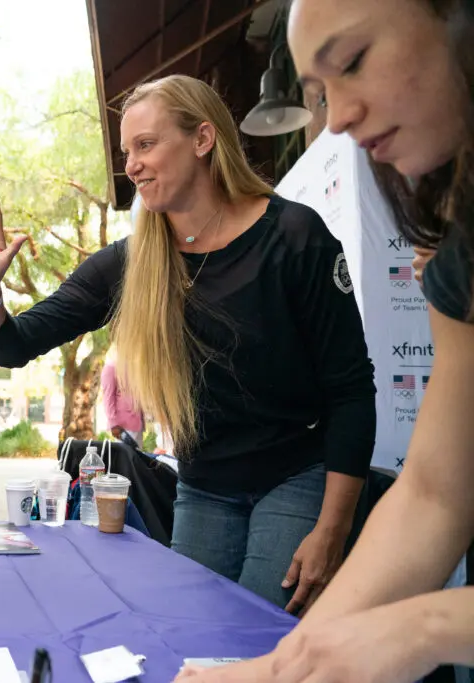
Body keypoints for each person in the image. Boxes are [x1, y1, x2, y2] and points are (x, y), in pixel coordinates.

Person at [0, 75, 377, 612]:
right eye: (126, 151)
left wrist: (333, 528)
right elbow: (13, 346)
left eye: (146, 144)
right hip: (205, 486)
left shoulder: (294, 236)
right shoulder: (132, 262)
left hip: (298, 476)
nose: (131, 164)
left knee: (258, 644)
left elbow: (351, 391)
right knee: (194, 636)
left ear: (203, 139)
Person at [178, 0, 474, 680]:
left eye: (353, 62)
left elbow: (351, 390)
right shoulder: (458, 253)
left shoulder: (297, 236)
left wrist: (421, 626)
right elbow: (435, 492)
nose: (335, 118)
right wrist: (281, 666)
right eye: (317, 92)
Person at [100, 352, 146, 447]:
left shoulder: (135, 367)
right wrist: (113, 424)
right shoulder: (111, 367)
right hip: (122, 427)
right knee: (125, 459)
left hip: (137, 424)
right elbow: (108, 398)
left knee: (137, 459)